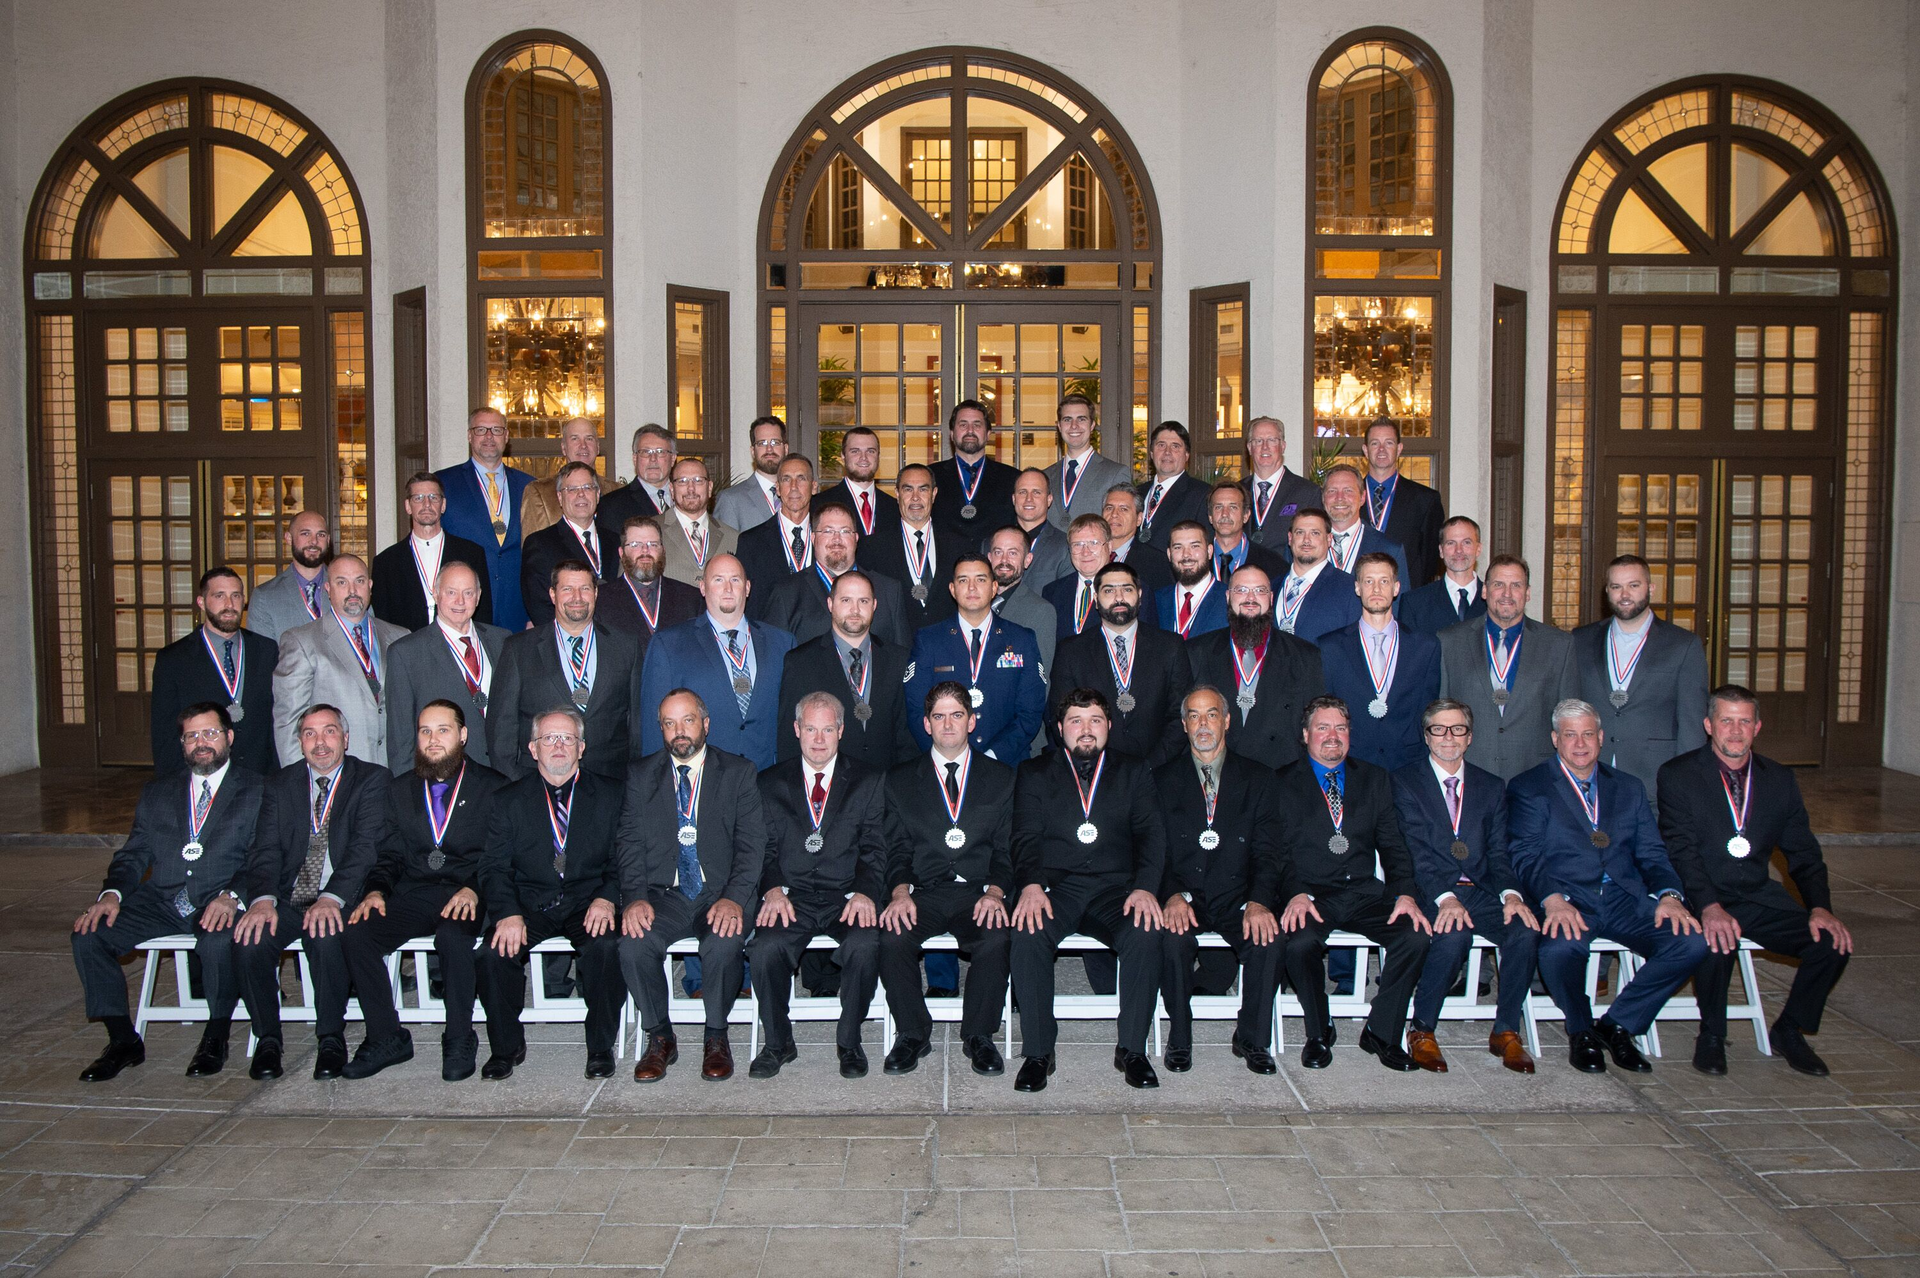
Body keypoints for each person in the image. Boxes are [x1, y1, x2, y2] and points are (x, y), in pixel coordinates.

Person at [1658, 686, 1852, 1077]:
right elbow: (1682, 851)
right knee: (1715, 938)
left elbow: (1803, 852)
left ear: (1757, 727)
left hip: (1757, 896)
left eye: (1744, 721)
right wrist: (1710, 907)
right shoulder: (1678, 775)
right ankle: (1711, 1034)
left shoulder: (1779, 780)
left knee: (1832, 943)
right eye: (1726, 721)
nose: (1735, 731)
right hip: (1702, 894)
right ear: (1709, 725)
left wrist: (1820, 907)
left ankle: (1789, 1030)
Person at [1506, 699, 1708, 1074]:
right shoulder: (1530, 787)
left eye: (1587, 734)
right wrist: (1552, 900)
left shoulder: (1628, 787)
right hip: (1568, 898)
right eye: (1570, 735)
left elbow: (1651, 852)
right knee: (1559, 950)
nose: (1579, 744)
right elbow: (1525, 855)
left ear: (1601, 738)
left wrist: (1670, 895)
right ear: (1555, 739)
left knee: (1691, 941)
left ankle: (1618, 1025)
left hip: (1623, 897)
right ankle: (1581, 1029)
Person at [71, 704, 264, 1082]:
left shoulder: (258, 789)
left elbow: (266, 857)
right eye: (192, 736)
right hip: (163, 900)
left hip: (220, 899)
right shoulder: (158, 792)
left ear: (229, 737)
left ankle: (216, 1035)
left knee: (217, 941)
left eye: (209, 733)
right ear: (182, 744)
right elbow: (133, 855)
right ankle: (123, 1039)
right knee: (89, 935)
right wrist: (111, 894)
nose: (201, 743)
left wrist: (232, 896)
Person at [1009, 690, 1166, 1091]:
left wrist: (1147, 887)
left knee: (1146, 931)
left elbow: (1151, 836)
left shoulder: (1135, 771)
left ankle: (1132, 1049)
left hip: (1117, 889)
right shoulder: (1034, 773)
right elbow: (1024, 838)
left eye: (1095, 720)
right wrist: (1029, 884)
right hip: (1057, 888)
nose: (1086, 730)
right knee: (1027, 931)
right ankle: (1039, 1051)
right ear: (1059, 728)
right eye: (1076, 721)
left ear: (1109, 726)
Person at [340, 700, 505, 1081]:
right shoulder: (400, 790)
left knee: (452, 937)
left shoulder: (493, 788)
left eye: (443, 730)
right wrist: (377, 890)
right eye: (425, 731)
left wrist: (474, 889)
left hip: (467, 892)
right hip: (415, 891)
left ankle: (460, 1036)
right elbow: (391, 854)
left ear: (463, 735)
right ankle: (387, 1036)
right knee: (356, 932)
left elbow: (501, 857)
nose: (433, 740)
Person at [232, 704, 390, 1080]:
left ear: (346, 738)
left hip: (340, 895)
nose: (320, 743)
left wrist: (331, 897)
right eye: (310, 734)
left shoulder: (371, 779)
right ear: (300, 741)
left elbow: (364, 849)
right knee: (249, 940)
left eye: (330, 731)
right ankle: (268, 1038)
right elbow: (265, 849)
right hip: (289, 896)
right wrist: (261, 900)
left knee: (326, 935)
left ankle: (330, 1037)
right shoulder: (279, 784)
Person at [1274, 696, 1431, 1071]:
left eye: (1341, 728)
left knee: (1415, 935)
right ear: (1305, 734)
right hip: (1312, 894)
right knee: (1299, 942)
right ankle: (1318, 1030)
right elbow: (1273, 851)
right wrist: (1294, 892)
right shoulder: (1279, 781)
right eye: (1324, 727)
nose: (1333, 736)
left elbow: (1393, 844)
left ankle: (1381, 1030)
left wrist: (1405, 894)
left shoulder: (1374, 778)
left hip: (1363, 893)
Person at [619, 689, 767, 1082]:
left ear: (705, 723)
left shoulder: (738, 772)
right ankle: (660, 1037)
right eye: (669, 723)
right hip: (662, 894)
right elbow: (629, 842)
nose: (678, 731)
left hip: (718, 892)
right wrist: (633, 898)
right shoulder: (640, 775)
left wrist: (735, 899)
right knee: (633, 942)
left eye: (686, 720)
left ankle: (716, 1036)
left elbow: (752, 846)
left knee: (722, 941)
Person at [1392, 699, 1541, 1074]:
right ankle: (1422, 1029)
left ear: (1470, 737)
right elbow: (1415, 852)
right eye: (1438, 729)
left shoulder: (1491, 786)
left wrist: (1511, 895)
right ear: (1426, 736)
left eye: (1457, 729)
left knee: (1524, 929)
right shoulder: (1405, 781)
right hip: (1430, 889)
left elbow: (1499, 851)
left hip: (1482, 889)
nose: (1448, 737)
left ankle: (1506, 1030)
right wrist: (1446, 898)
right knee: (1454, 933)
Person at [475, 706, 623, 1080]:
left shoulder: (611, 795)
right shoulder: (506, 800)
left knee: (606, 947)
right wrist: (507, 913)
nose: (558, 745)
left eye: (567, 738)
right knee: (492, 954)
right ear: (533, 748)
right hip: (527, 905)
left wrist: (607, 898)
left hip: (588, 902)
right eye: (549, 739)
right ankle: (506, 1047)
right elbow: (493, 867)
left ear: (582, 747)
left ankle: (600, 1046)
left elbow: (626, 858)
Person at [878, 681, 1017, 1076]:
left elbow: (1009, 849)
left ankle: (979, 1035)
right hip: (924, 890)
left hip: (978, 891)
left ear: (972, 721)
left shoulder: (1002, 778)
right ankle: (911, 1033)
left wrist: (995, 892)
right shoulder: (901, 780)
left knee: (996, 936)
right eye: (939, 716)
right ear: (926, 724)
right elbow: (896, 848)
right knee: (891, 935)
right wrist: (900, 891)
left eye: (957, 714)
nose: (948, 724)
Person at [747, 693, 890, 1079]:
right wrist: (772, 889)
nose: (819, 738)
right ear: (796, 730)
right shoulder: (769, 782)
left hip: (845, 894)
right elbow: (762, 849)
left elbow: (875, 846)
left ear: (841, 731)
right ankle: (778, 1042)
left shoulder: (869, 779)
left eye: (828, 729)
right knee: (764, 948)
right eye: (810, 728)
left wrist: (865, 892)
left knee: (866, 943)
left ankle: (849, 1040)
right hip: (791, 896)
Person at [1154, 687, 1285, 1075]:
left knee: (1268, 940)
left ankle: (1252, 1038)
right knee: (1171, 939)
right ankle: (1179, 1036)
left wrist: (1261, 900)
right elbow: (1150, 850)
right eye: (1194, 716)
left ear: (1227, 721)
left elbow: (1269, 850)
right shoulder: (1160, 780)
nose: (1203, 724)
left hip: (1237, 895)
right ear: (1183, 725)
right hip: (1185, 894)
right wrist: (1170, 895)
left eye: (1212, 714)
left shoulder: (1259, 778)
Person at [489, 560, 645, 782]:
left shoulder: (626, 646)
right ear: (552, 594)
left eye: (585, 589)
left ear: (596, 593)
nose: (577, 598)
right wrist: (514, 785)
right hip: (537, 783)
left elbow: (637, 723)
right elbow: (501, 728)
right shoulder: (518, 649)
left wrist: (633, 780)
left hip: (610, 782)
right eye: (567, 589)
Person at [1573, 555, 1709, 806]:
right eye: (1616, 587)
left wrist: (1686, 782)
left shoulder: (1683, 645)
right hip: (1592, 775)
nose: (1624, 594)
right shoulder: (1580, 640)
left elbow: (1692, 724)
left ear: (1650, 588)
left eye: (1633, 585)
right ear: (1607, 592)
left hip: (1655, 780)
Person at [638, 554, 796, 769]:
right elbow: (653, 726)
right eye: (718, 580)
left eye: (735, 580)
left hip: (767, 777)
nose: (728, 588)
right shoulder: (669, 644)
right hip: (704, 779)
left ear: (747, 588)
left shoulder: (782, 643)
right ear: (703, 588)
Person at [1437, 555, 1579, 780]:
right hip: (1471, 772)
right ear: (1484, 591)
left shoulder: (1559, 645)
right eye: (1498, 585)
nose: (1507, 594)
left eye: (1516, 585)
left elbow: (1570, 719)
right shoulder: (1450, 641)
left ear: (1528, 593)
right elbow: (1441, 713)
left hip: (1536, 776)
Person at [905, 555, 1048, 764]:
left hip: (1005, 765)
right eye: (963, 580)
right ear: (952, 589)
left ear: (994, 588)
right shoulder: (929, 640)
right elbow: (917, 709)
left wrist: (993, 757)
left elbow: (1030, 712)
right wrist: (947, 756)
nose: (972, 588)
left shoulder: (1021, 640)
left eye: (980, 579)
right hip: (946, 765)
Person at [1048, 562, 1193, 768]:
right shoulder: (1071, 651)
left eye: (1127, 589)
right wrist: (1096, 765)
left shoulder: (1170, 646)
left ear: (1140, 596)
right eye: (1109, 590)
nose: (1119, 598)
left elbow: (1181, 714)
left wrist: (1151, 765)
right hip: (1094, 771)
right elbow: (1060, 716)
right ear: (1096, 600)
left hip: (1159, 771)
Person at [271, 555, 405, 767]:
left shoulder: (399, 637)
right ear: (327, 588)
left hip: (394, 772)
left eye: (359, 581)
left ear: (370, 586)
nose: (352, 591)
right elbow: (289, 721)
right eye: (341, 582)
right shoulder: (302, 641)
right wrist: (299, 782)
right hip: (336, 774)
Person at [777, 570, 917, 772]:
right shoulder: (800, 661)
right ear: (830, 604)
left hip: (887, 784)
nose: (855, 610)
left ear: (874, 605)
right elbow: (789, 739)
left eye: (863, 601)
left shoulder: (899, 659)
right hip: (830, 788)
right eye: (846, 600)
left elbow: (907, 736)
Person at [1187, 566, 1322, 772]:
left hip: (1279, 777)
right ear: (1227, 596)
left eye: (1260, 591)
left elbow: (1313, 727)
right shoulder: (1196, 651)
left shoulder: (1304, 656)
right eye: (1241, 590)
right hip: (1215, 774)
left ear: (1271, 597)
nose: (1250, 598)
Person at [383, 562, 510, 774]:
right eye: (451, 592)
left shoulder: (504, 641)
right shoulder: (405, 653)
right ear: (436, 594)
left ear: (478, 596)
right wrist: (408, 793)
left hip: (503, 777)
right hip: (443, 777)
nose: (460, 601)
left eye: (468, 593)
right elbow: (400, 738)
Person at [150, 566, 278, 775]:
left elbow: (276, 718)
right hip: (203, 776)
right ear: (202, 602)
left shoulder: (267, 650)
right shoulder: (173, 660)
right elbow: (165, 735)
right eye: (219, 596)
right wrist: (174, 787)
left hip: (260, 776)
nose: (229, 604)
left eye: (235, 596)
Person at [1319, 553, 1441, 772]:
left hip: (1407, 765)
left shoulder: (1425, 646)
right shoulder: (1330, 647)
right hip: (1351, 763)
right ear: (1357, 588)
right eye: (1369, 581)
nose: (1376, 589)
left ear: (1396, 588)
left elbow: (1427, 710)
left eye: (1384, 581)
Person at [758, 503, 913, 649]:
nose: (837, 539)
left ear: (856, 538)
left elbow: (902, 657)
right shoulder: (786, 594)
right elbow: (774, 657)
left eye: (845, 531)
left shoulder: (888, 590)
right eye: (828, 531)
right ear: (813, 538)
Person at [435, 407, 534, 631]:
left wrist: (534, 613)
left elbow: (537, 553)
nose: (489, 436)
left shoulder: (529, 486)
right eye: (481, 430)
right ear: (470, 436)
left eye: (496, 430)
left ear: (506, 437)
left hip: (517, 611)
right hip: (465, 609)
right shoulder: (444, 483)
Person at [371, 472, 493, 631]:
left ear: (443, 505)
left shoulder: (471, 554)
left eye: (433, 497)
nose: (427, 504)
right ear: (408, 506)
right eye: (418, 498)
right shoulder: (386, 562)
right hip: (407, 648)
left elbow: (483, 613)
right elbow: (383, 624)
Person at [862, 463, 964, 630]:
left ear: (934, 494)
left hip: (946, 645)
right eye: (908, 489)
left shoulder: (959, 546)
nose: (915, 497)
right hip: (894, 648)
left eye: (923, 489)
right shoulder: (872, 548)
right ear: (897, 494)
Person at [519, 461, 618, 624]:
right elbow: (539, 605)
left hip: (615, 639)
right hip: (566, 641)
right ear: (559, 497)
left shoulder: (615, 541)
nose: (581, 494)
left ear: (597, 493)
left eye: (587, 488)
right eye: (572, 489)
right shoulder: (540, 543)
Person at [596, 516, 704, 657]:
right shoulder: (600, 600)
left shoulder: (692, 598)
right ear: (621, 553)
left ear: (663, 550)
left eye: (653, 544)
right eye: (635, 544)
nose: (645, 551)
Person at [1359, 419, 1445, 584]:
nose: (1382, 449)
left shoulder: (1425, 500)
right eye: (1375, 443)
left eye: (1389, 443)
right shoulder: (1349, 498)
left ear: (1399, 449)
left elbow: (1430, 560)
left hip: (1406, 596)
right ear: (1365, 450)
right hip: (1357, 595)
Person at [930, 400, 1019, 540]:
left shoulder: (1012, 478)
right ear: (952, 434)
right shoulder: (931, 476)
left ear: (988, 434)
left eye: (977, 425)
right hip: (944, 561)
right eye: (963, 424)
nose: (970, 431)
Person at [736, 454, 817, 599]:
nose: (794, 487)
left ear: (814, 487)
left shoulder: (828, 537)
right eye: (786, 479)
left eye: (801, 478)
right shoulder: (750, 542)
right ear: (778, 488)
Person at [246, 509, 334, 642]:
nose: (314, 541)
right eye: (305, 533)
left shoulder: (350, 588)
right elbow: (263, 658)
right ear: (288, 538)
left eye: (320, 535)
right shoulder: (265, 597)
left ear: (328, 540)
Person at [1044, 394, 1130, 530]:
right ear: (1059, 426)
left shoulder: (1115, 473)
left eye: (1081, 419)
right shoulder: (1046, 476)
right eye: (1067, 420)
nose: (1074, 426)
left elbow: (1122, 527)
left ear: (1092, 425)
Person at [520, 416, 616, 537]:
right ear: (563, 448)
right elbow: (534, 548)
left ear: (598, 447)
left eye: (589, 439)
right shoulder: (539, 492)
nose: (583, 445)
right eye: (575, 439)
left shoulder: (617, 491)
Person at [1275, 509, 1360, 644]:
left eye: (1315, 533)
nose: (1306, 540)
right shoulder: (1270, 586)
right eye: (1300, 532)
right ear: (1290, 539)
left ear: (1329, 539)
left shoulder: (1349, 589)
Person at [985, 525, 1058, 675]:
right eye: (998, 552)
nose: (1004, 560)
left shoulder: (1041, 611)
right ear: (989, 558)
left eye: (1013, 553)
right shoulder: (972, 603)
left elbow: (1040, 675)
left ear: (1027, 560)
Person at [1321, 465, 1410, 586]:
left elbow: (1399, 603)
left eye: (1348, 490)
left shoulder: (1390, 549)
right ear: (1323, 498)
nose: (1339, 498)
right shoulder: (1303, 546)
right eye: (1332, 491)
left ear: (1362, 497)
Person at [658, 456, 740, 587]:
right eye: (682, 481)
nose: (691, 488)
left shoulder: (733, 537)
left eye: (698, 480)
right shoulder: (652, 532)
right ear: (672, 489)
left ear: (709, 488)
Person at [1399, 516, 1487, 635]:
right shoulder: (1414, 603)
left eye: (1466, 542)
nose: (1459, 550)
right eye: (1451, 543)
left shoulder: (1494, 601)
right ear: (1441, 550)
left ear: (1478, 549)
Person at [1241, 416, 1320, 549]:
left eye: (1272, 440)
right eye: (1258, 441)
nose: (1265, 447)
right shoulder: (1237, 491)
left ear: (1283, 446)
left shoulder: (1308, 493)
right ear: (1249, 448)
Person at [812, 425, 899, 535]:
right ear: (843, 456)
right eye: (855, 451)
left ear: (878, 456)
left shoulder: (895, 507)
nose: (863, 457)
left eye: (870, 451)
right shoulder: (820, 504)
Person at [1043, 513, 1117, 643]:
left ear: (1109, 546)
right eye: (1078, 544)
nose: (1085, 552)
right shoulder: (1052, 592)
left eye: (1094, 543)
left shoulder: (1129, 590)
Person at [1136, 422, 1210, 550]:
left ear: (1187, 455)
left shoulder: (1202, 494)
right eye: (1161, 445)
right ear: (1152, 453)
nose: (1167, 452)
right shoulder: (1137, 493)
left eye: (1175, 446)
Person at [713, 415, 790, 532]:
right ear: (753, 451)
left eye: (775, 442)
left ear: (786, 448)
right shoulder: (730, 500)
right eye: (762, 443)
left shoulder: (799, 495)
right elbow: (726, 548)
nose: (769, 449)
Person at [1157, 521, 1227, 640]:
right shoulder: (1156, 600)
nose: (1186, 555)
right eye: (1178, 547)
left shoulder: (1228, 599)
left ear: (1209, 551)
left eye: (1195, 546)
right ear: (1169, 554)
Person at [1207, 481, 1288, 583]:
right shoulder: (1196, 562)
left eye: (1233, 507)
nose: (1225, 514)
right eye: (1218, 507)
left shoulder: (1273, 564)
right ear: (1210, 516)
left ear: (1246, 515)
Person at [599, 422, 677, 528]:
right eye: (645, 452)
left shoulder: (686, 498)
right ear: (635, 459)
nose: (653, 459)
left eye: (660, 452)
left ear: (673, 459)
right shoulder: (612, 505)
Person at [1104, 484, 1172, 601]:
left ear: (1139, 519)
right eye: (1109, 508)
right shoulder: (1089, 554)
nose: (1114, 514)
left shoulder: (1156, 562)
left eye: (1123, 509)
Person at [1004, 466, 1069, 586]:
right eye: (1023, 492)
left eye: (1036, 492)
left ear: (1049, 500)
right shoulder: (991, 544)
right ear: (1014, 499)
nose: (1029, 499)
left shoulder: (1065, 547)